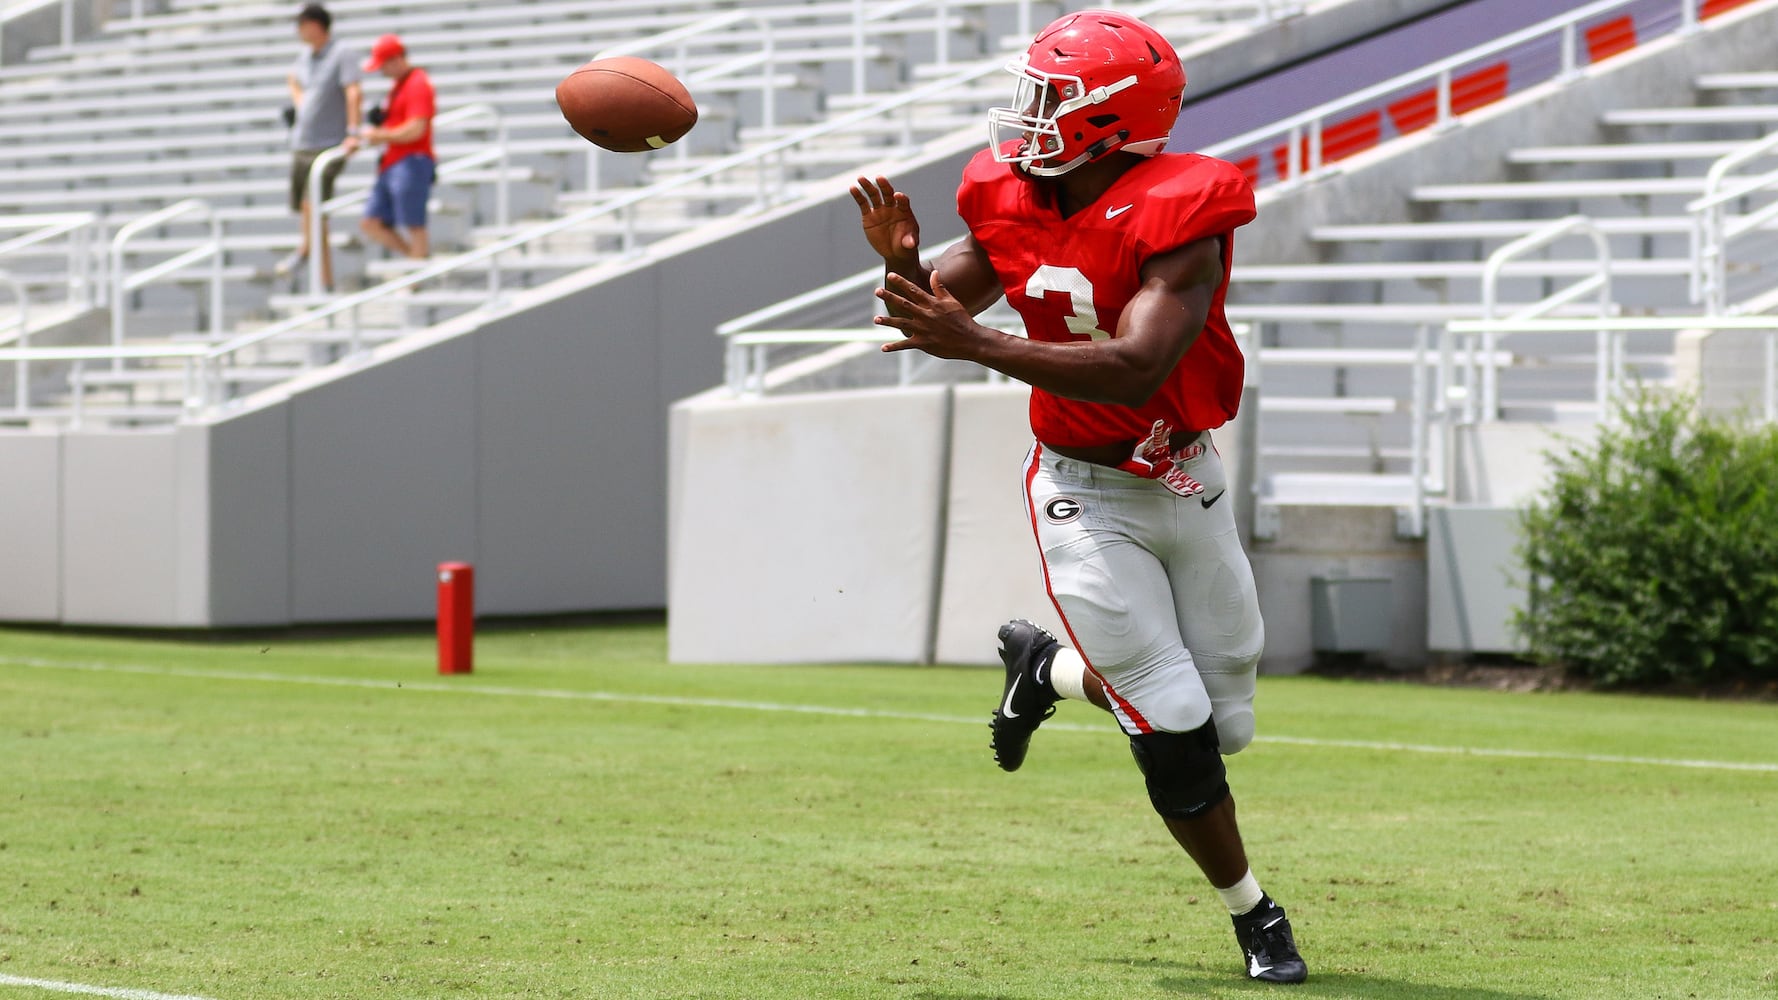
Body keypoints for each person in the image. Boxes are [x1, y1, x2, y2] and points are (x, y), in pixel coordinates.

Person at [849, 9, 1307, 986]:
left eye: (1050, 99)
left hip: (1182, 473)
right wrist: (898, 262)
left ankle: (1043, 667)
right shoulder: (1008, 195)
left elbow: (1140, 364)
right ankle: (1254, 913)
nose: (1027, 116)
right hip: (1079, 489)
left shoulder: (1184, 209)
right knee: (1172, 713)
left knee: (1223, 718)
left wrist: (975, 346)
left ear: (1114, 120)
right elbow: (937, 307)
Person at [280, 3, 362, 290]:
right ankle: (321, 274)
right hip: (303, 142)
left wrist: (353, 132)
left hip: (327, 145)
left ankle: (306, 254)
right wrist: (302, 105)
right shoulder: (304, 58)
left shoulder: (342, 53)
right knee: (310, 212)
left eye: (303, 25)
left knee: (312, 206)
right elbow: (294, 80)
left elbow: (353, 92)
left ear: (316, 25)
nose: (299, 32)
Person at [358, 34, 436, 261]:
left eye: (383, 65)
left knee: (414, 224)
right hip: (392, 162)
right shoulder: (398, 87)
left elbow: (417, 128)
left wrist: (381, 135)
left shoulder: (417, 83)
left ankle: (418, 270)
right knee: (371, 222)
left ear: (395, 59)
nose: (382, 71)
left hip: (411, 160)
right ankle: (417, 261)